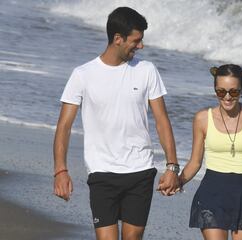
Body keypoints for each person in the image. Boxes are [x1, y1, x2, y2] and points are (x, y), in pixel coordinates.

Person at [53, 7, 179, 240]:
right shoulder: (83, 74)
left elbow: (162, 120)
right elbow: (64, 126)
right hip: (102, 173)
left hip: (140, 170)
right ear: (118, 39)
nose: (140, 46)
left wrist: (172, 167)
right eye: (136, 40)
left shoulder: (147, 70)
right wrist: (60, 171)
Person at [179, 64, 242, 240]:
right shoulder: (202, 118)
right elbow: (195, 162)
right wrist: (178, 181)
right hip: (212, 193)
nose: (228, 97)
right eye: (221, 92)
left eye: (234, 92)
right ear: (215, 90)